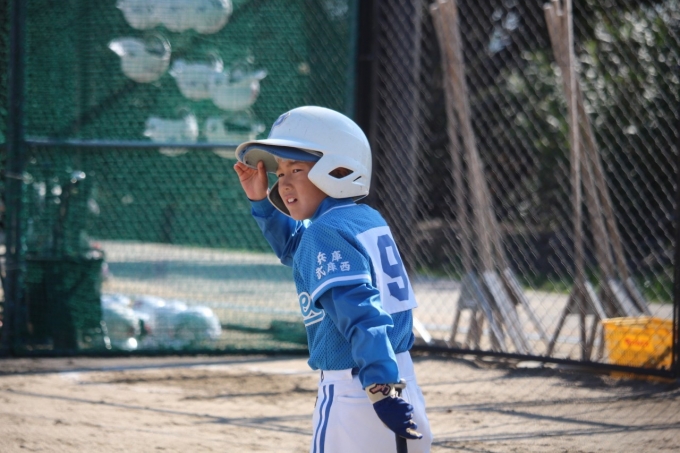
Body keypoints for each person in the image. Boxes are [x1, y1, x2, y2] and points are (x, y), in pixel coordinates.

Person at [233, 106, 433, 453]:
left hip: (359, 388)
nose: (284, 183)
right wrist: (261, 202)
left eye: (297, 169)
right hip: (399, 376)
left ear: (338, 169)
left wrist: (381, 389)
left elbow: (362, 315)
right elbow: (299, 250)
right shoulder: (364, 217)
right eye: (280, 172)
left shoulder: (324, 232)